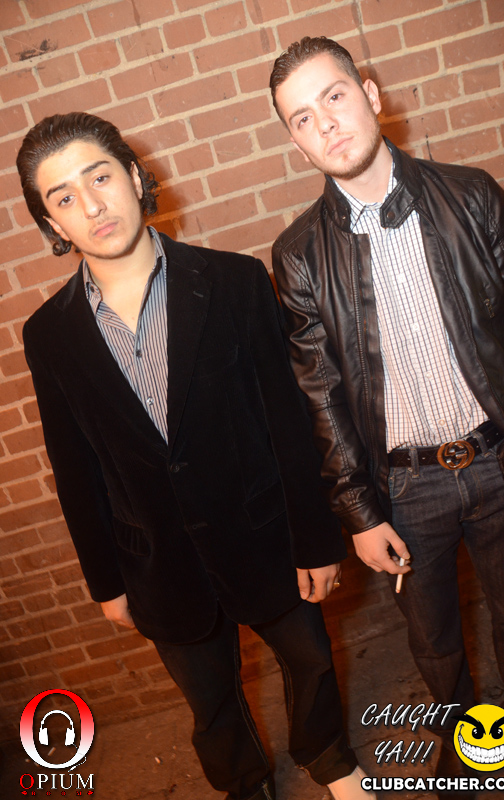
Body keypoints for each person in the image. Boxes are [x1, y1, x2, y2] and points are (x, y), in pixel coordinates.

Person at [17, 112, 376, 800]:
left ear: (134, 177)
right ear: (52, 223)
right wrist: (105, 583)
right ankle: (243, 782)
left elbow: (287, 420)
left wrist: (314, 538)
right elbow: (74, 468)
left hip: (266, 536)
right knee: (209, 700)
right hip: (156, 561)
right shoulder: (48, 335)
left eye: (100, 178)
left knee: (310, 663)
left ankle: (329, 757)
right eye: (64, 197)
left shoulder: (235, 281)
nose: (91, 205)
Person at [270, 36, 504, 795]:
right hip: (406, 489)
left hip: (502, 462)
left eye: (335, 97)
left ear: (372, 95)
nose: (325, 123)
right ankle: (466, 737)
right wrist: (358, 512)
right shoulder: (298, 254)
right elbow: (320, 394)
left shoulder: (471, 196)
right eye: (302, 118)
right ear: (294, 141)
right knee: (434, 639)